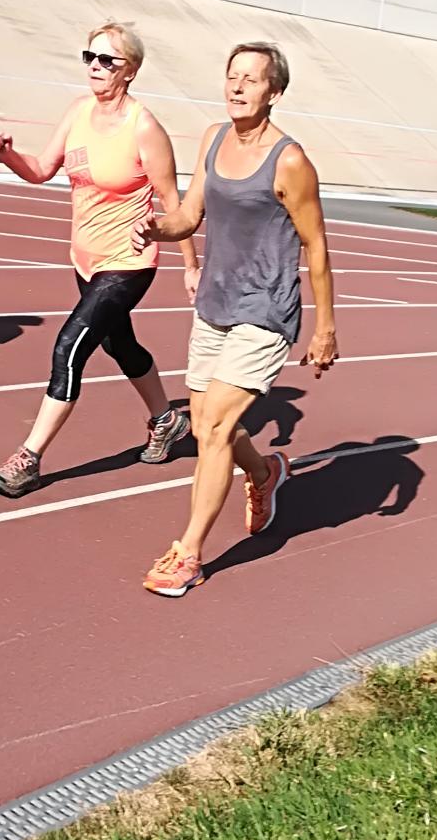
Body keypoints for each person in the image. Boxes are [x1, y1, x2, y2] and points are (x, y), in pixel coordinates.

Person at [132, 42, 337, 597]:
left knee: (217, 426)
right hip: (216, 303)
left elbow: (316, 246)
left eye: (251, 79)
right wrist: (158, 228)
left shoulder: (290, 161)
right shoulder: (213, 138)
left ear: (275, 91)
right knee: (204, 427)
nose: (238, 86)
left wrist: (324, 327)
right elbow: (190, 214)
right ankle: (265, 472)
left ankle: (189, 553)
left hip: (266, 309)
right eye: (232, 76)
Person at [0, 21, 201, 497]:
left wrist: (190, 265)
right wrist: (8, 156)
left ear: (131, 71)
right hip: (85, 259)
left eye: (108, 60)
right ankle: (167, 421)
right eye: (90, 58)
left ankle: (29, 458)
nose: (96, 68)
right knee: (120, 346)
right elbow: (41, 171)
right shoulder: (79, 111)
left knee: (68, 348)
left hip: (129, 260)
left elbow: (174, 204)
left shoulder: (145, 127)